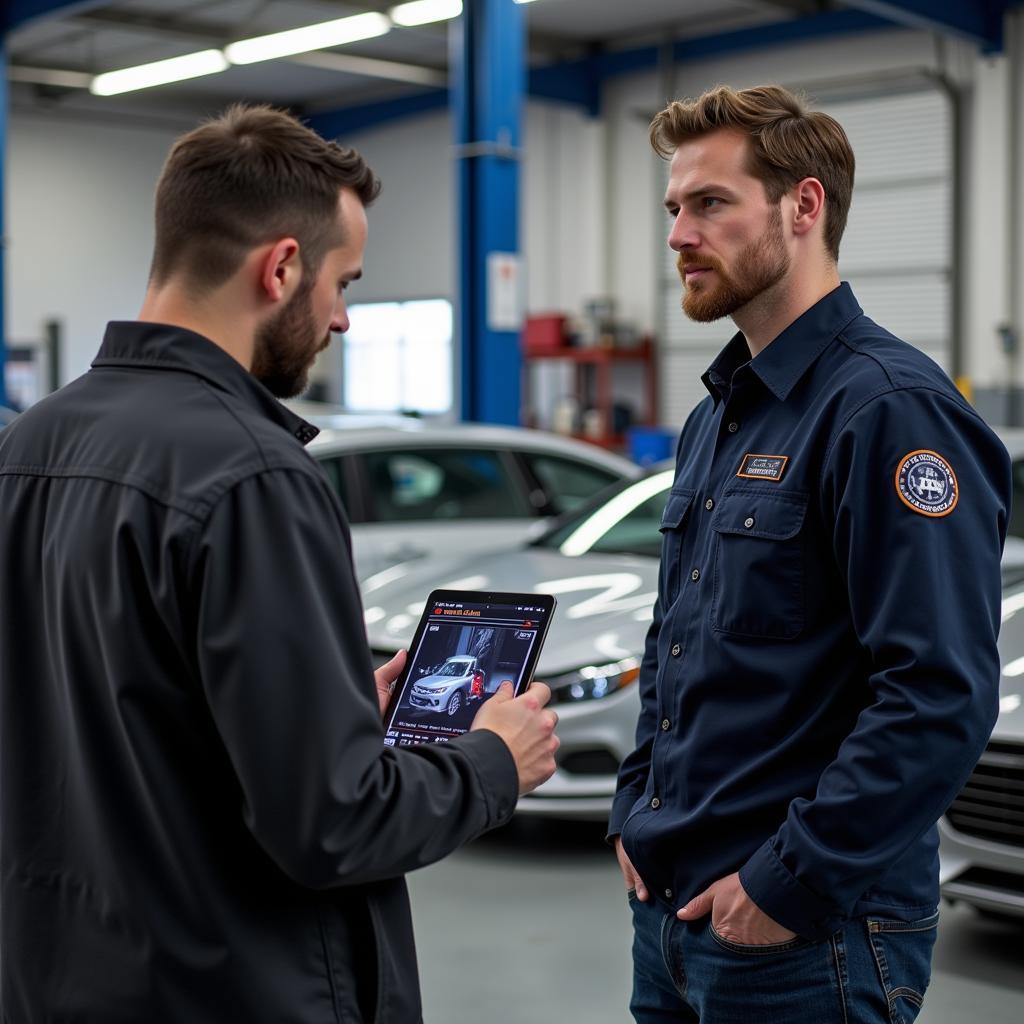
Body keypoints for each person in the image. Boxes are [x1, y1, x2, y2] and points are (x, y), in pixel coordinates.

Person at [0, 104, 559, 1023]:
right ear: (281, 267)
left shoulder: (30, 444)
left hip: (57, 982)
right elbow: (335, 824)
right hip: (233, 990)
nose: (341, 317)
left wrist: (333, 717)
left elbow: (119, 722)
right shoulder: (254, 474)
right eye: (344, 283)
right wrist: (493, 761)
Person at [610, 84, 1010, 1023]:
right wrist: (635, 809)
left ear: (803, 206)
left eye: (710, 203)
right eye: (673, 208)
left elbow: (938, 695)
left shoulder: (887, 410)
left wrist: (790, 881)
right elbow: (679, 641)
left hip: (807, 938)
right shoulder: (719, 415)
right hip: (670, 914)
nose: (678, 234)